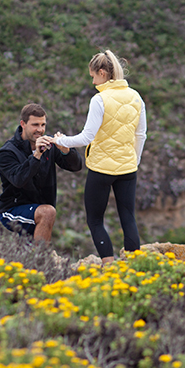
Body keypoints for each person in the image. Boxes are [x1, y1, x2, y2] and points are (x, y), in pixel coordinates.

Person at [50, 50, 146, 265]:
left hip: (101, 169)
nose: (92, 81)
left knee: (95, 220)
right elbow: (141, 134)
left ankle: (109, 266)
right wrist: (135, 161)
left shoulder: (99, 100)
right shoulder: (136, 97)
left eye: (93, 76)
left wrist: (61, 141)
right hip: (128, 169)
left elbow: (87, 137)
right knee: (128, 217)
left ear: (102, 73)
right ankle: (135, 265)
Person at [0, 103, 82, 243]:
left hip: (39, 208)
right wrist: (37, 155)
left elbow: (76, 167)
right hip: (12, 210)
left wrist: (66, 151)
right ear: (23, 124)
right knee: (48, 212)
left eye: (43, 125)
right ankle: (40, 261)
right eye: (35, 125)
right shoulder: (7, 152)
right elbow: (18, 180)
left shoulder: (49, 145)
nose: (40, 130)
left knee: (45, 215)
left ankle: (35, 260)